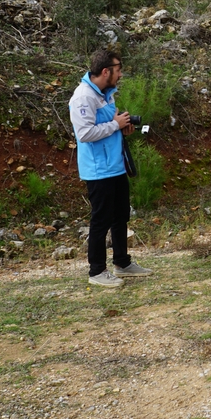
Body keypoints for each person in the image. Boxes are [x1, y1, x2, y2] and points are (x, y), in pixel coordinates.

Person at [69, 50, 153, 288]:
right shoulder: (82, 98)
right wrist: (114, 125)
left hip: (115, 167)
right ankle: (96, 271)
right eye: (118, 70)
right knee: (100, 220)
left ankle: (122, 263)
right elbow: (84, 134)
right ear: (105, 71)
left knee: (120, 217)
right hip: (98, 171)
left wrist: (121, 126)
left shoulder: (107, 94)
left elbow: (107, 124)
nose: (121, 74)